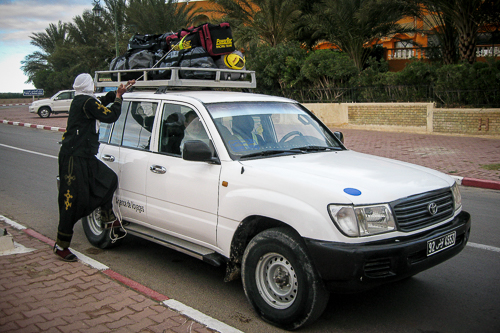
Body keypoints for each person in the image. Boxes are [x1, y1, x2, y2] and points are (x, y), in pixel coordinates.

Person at [54, 73, 135, 262]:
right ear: (88, 85)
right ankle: (61, 245)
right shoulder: (85, 102)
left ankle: (108, 219)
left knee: (109, 179)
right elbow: (110, 115)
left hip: (85, 156)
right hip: (74, 159)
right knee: (70, 201)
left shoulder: (85, 101)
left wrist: (120, 92)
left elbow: (102, 101)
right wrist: (118, 99)